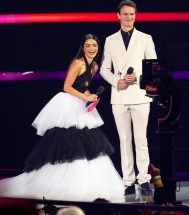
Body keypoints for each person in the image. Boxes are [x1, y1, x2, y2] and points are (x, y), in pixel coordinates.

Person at [0, 34, 125, 202]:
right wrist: (84, 96)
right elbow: (67, 86)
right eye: (88, 45)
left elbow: (84, 86)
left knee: (88, 142)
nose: (91, 48)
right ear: (83, 47)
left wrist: (91, 96)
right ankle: (63, 181)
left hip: (81, 103)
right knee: (69, 139)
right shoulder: (78, 63)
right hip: (69, 104)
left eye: (94, 45)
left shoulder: (94, 66)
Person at [100, 0, 157, 198]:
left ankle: (144, 180)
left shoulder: (145, 38)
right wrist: (117, 81)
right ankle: (128, 181)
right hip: (119, 96)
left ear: (135, 15)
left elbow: (154, 68)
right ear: (118, 15)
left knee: (141, 140)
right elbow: (104, 69)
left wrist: (138, 78)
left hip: (140, 96)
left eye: (132, 14)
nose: (128, 17)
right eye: (125, 14)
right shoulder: (110, 40)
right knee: (124, 140)